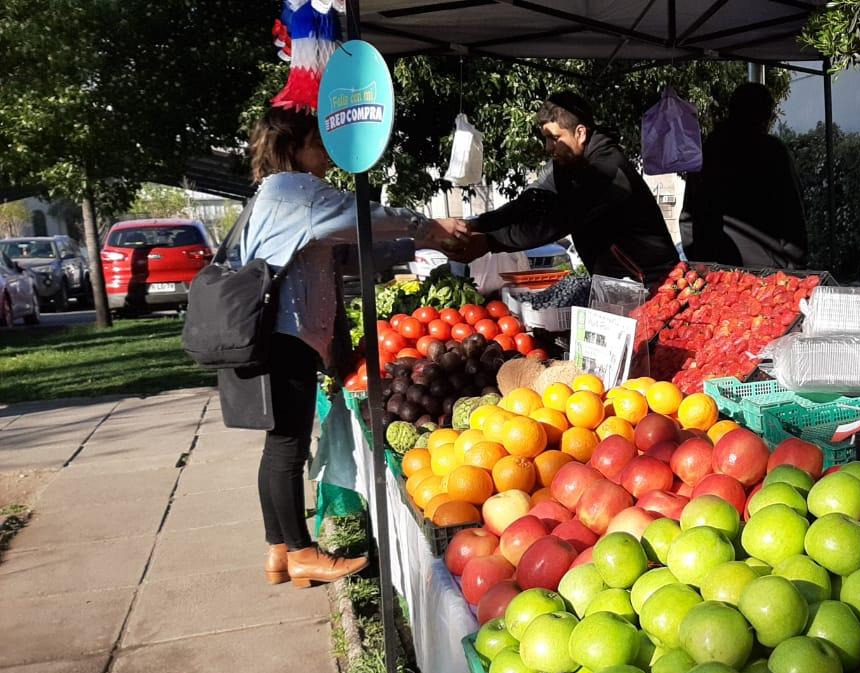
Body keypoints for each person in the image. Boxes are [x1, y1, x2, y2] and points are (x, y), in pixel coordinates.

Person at [237, 106, 462, 588]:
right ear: (294, 148)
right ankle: (300, 552)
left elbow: (347, 248)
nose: (327, 155)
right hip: (285, 333)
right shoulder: (296, 189)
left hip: (276, 332)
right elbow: (362, 217)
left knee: (279, 444)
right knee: (286, 448)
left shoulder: (276, 195)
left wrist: (417, 246)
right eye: (318, 144)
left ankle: (279, 551)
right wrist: (427, 227)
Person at [453, 93, 679, 287]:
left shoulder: (608, 170)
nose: (548, 147)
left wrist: (489, 243)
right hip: (618, 284)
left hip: (653, 283)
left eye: (554, 138)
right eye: (546, 139)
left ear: (580, 133)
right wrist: (476, 224)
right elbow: (531, 202)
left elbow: (558, 221)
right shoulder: (567, 164)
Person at [680, 82, 809, 270]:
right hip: (767, 272)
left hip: (714, 270)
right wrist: (795, 265)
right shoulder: (773, 152)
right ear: (764, 116)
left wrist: (700, 259)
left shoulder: (708, 150)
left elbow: (688, 215)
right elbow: (792, 213)